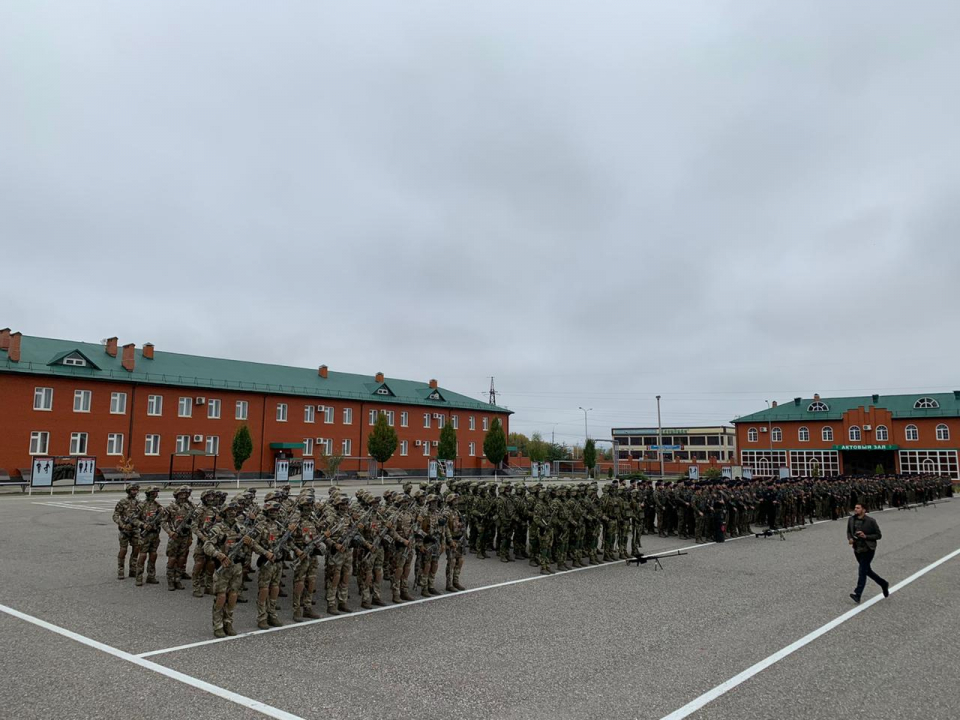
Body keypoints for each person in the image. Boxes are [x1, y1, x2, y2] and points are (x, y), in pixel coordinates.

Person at [846, 502, 890, 603]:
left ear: (864, 510)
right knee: (867, 571)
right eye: (855, 508)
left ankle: (858, 594)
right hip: (857, 549)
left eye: (858, 508)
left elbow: (878, 535)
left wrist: (866, 536)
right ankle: (883, 583)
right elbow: (849, 531)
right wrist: (850, 538)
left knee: (862, 570)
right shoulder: (851, 519)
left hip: (868, 549)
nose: (855, 509)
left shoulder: (871, 521)